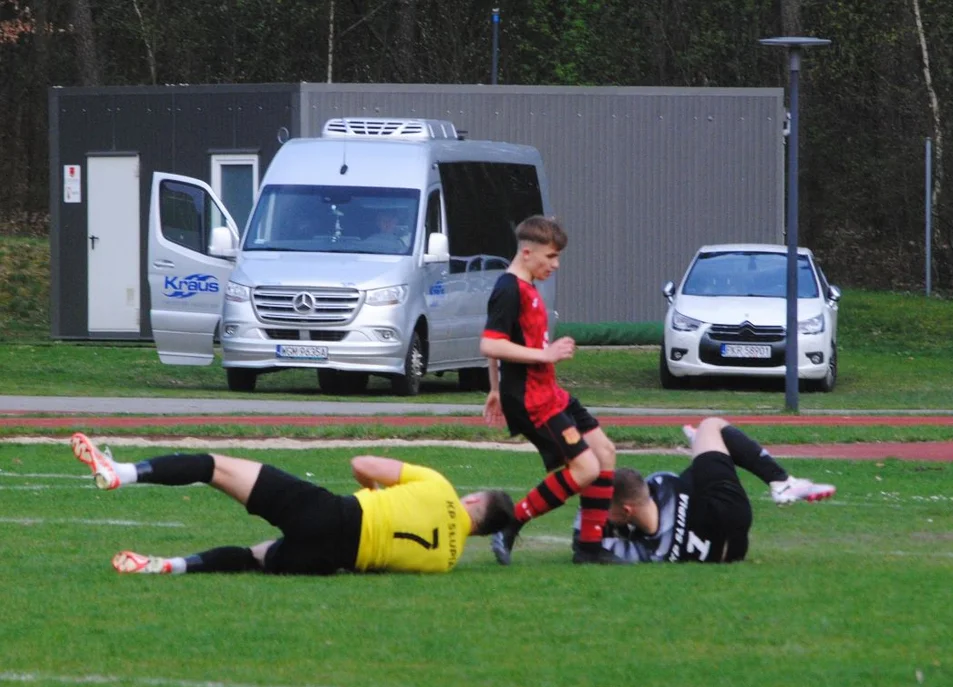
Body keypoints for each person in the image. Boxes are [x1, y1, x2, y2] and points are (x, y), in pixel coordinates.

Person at [68, 432, 514, 576]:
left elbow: (363, 462)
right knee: (253, 557)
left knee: (213, 466)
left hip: (330, 513)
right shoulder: (447, 562)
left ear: (472, 499)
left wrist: (374, 492)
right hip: (327, 559)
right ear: (482, 530)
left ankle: (120, 472)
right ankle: (171, 565)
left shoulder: (439, 485)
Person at [480, 215, 620, 565]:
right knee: (586, 468)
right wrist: (545, 353)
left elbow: (504, 342)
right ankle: (510, 524)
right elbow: (489, 344)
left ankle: (589, 548)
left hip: (550, 392)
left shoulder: (527, 286)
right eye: (550, 257)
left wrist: (494, 388)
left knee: (604, 452)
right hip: (532, 400)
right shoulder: (508, 288)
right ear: (527, 253)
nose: (555, 265)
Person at [578, 417, 836, 564]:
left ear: (626, 511)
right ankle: (781, 482)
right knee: (711, 426)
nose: (599, 512)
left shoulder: (649, 551)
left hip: (729, 551)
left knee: (703, 462)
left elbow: (584, 544)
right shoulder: (660, 483)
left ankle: (706, 448)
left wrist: (604, 522)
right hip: (725, 510)